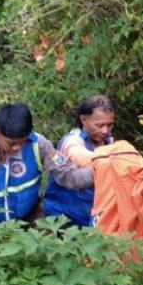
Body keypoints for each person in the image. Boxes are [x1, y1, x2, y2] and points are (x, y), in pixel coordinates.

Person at [43, 95, 115, 226]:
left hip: (90, 213)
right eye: (100, 125)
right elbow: (79, 156)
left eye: (109, 125)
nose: (105, 130)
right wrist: (117, 161)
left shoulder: (107, 140)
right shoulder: (71, 141)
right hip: (64, 216)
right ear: (83, 120)